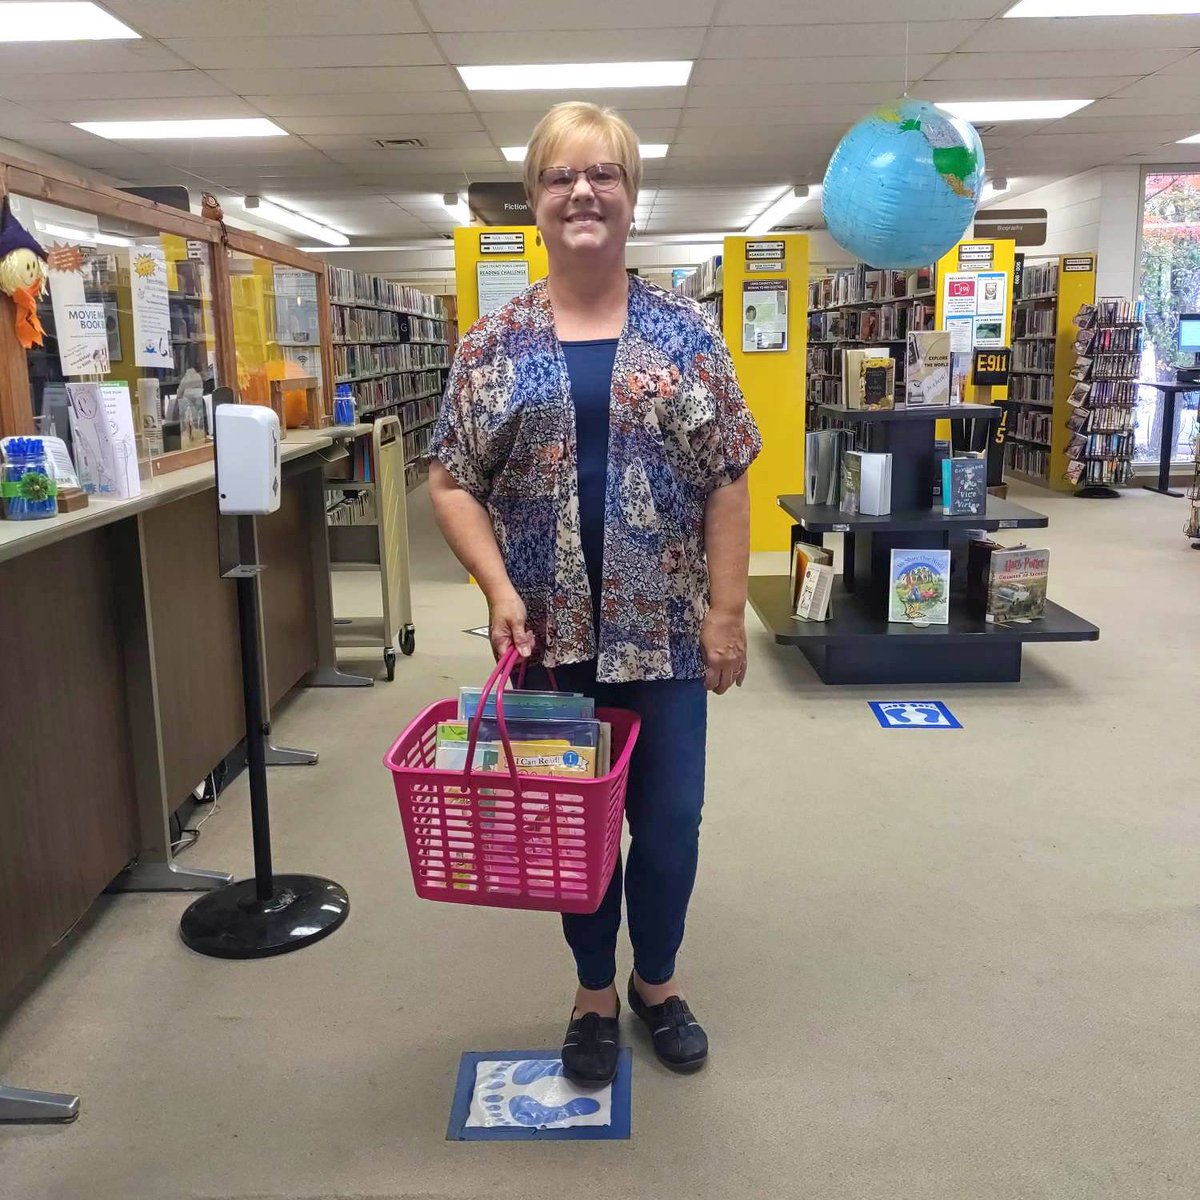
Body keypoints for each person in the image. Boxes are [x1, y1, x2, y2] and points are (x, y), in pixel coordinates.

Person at [429, 101, 760, 1085]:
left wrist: (729, 612)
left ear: (630, 196)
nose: (583, 192)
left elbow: (729, 475)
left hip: (661, 639)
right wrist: (495, 586)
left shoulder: (684, 333)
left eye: (602, 175)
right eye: (561, 176)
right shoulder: (495, 345)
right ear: (534, 200)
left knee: (669, 822)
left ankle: (657, 982)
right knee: (572, 833)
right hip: (551, 642)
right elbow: (451, 479)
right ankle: (591, 995)